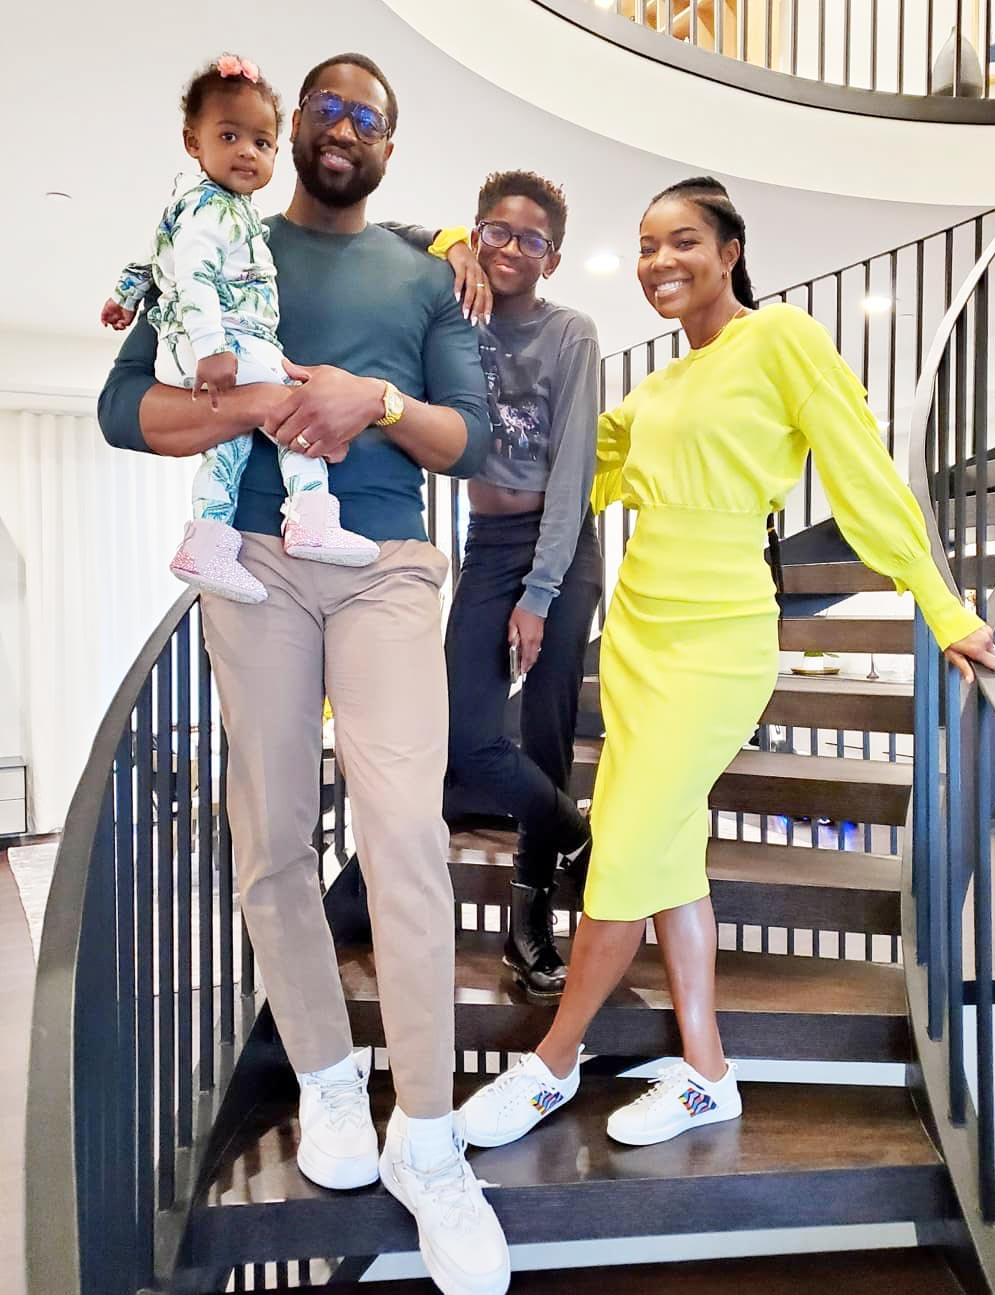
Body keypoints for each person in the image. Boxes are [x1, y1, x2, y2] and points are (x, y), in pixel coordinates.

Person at [459, 176, 995, 1151]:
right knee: (666, 855)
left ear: (729, 251)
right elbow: (569, 468)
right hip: (638, 637)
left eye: (682, 242)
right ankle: (707, 1071)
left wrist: (941, 602)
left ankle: (551, 1063)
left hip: (719, 643)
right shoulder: (657, 390)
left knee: (623, 853)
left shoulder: (782, 340)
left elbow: (863, 476)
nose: (659, 262)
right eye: (645, 245)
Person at [99, 52, 510, 1295]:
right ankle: (332, 1082)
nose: (341, 129)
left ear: (391, 142)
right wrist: (264, 401)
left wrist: (369, 394)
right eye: (322, 109)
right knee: (268, 829)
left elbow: (469, 437)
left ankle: (428, 1136)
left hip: (385, 564)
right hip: (259, 567)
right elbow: (130, 409)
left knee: (403, 835)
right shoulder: (221, 233)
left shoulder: (426, 267)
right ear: (284, 131)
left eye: (365, 117)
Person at [102, 54, 381, 603]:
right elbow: (197, 274)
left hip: (215, 345)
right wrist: (212, 349)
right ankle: (310, 520)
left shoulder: (197, 207)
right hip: (224, 341)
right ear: (193, 141)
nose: (248, 152)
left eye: (262, 142)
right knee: (300, 406)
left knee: (226, 446)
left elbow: (155, 259)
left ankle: (205, 544)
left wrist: (123, 297)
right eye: (229, 136)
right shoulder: (214, 210)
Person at [440, 171, 602, 999]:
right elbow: (387, 230)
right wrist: (448, 247)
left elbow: (574, 468)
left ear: (554, 257)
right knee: (463, 734)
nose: (510, 248)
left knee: (545, 734)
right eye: (494, 231)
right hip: (484, 539)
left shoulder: (570, 332)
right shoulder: (451, 311)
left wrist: (540, 592)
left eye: (531, 239)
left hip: (560, 549)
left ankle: (529, 923)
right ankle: (576, 833)